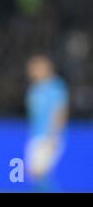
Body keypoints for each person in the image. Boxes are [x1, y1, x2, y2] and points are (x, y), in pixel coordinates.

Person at [25, 54, 69, 191]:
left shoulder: (56, 87)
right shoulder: (33, 90)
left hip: (48, 136)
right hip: (36, 135)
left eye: (35, 67)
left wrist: (54, 136)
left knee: (38, 173)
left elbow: (60, 112)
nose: (31, 71)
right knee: (33, 174)